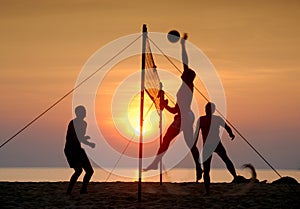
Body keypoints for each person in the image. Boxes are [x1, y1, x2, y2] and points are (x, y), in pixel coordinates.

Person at [144, 33, 202, 182]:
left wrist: (183, 46)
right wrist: (165, 105)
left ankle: (155, 163)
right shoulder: (185, 85)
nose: (182, 73)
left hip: (184, 117)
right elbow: (175, 109)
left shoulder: (188, 86)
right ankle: (198, 167)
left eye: (185, 73)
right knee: (187, 144)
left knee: (169, 141)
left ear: (187, 77)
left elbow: (185, 63)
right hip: (184, 116)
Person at [194, 102, 237, 195]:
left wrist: (231, 134)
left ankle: (235, 177)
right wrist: (194, 144)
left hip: (217, 144)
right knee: (206, 169)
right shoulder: (201, 119)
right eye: (206, 108)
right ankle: (207, 191)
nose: (206, 110)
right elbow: (196, 133)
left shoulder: (217, 119)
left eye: (208, 108)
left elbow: (227, 127)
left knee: (226, 160)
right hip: (207, 146)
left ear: (213, 110)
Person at [64, 105, 95, 194]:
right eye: (83, 111)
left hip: (78, 149)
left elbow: (80, 137)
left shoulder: (84, 123)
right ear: (78, 113)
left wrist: (85, 139)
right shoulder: (73, 123)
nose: (85, 113)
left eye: (85, 111)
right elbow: (76, 136)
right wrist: (89, 143)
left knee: (89, 171)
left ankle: (83, 190)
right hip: (70, 150)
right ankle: (69, 191)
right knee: (78, 170)